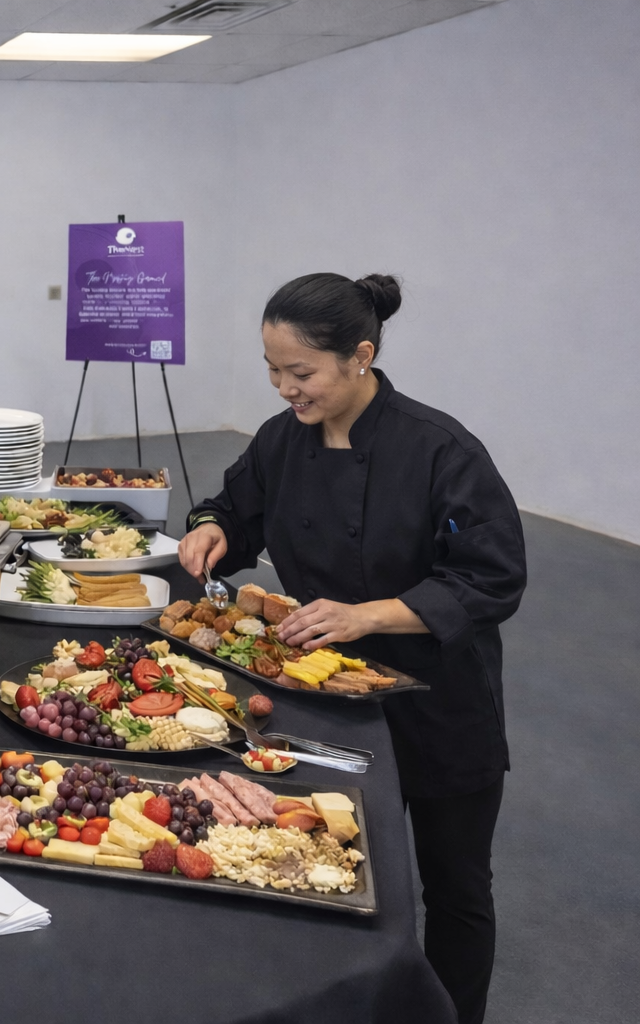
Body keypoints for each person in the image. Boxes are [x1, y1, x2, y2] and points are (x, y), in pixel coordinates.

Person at [179, 273, 524, 1024]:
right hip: (321, 700)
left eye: (300, 373)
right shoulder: (282, 439)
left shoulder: (440, 450)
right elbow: (236, 505)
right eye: (272, 370)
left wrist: (366, 615)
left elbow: (492, 578)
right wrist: (213, 527)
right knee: (323, 866)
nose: (284, 389)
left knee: (456, 889)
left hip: (439, 704)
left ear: (360, 356)